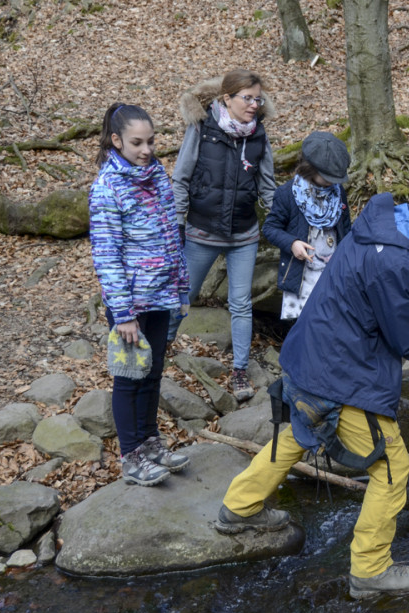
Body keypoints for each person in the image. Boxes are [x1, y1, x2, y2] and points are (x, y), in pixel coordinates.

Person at [213, 176, 409, 599]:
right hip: (345, 373)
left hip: (311, 357)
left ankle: (238, 508)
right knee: (392, 469)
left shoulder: (388, 223)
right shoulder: (395, 259)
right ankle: (370, 569)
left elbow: (397, 293)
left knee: (296, 434)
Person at [89, 103, 192, 486]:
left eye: (150, 141)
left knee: (153, 374)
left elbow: (172, 236)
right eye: (137, 142)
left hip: (164, 296)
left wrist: (182, 288)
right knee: (129, 377)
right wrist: (124, 312)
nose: (146, 149)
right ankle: (131, 457)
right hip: (130, 303)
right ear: (116, 141)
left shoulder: (157, 176)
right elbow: (106, 254)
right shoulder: (107, 187)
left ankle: (151, 444)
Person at [167, 69, 276, 402]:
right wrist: (177, 223)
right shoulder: (202, 129)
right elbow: (181, 178)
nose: (254, 105)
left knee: (241, 305)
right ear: (226, 99)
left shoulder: (259, 137)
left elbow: (268, 188)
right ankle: (157, 354)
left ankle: (240, 373)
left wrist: (286, 222)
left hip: (243, 234)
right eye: (247, 98)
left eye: (258, 99)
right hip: (202, 231)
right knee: (182, 297)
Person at [261, 132, 351, 323]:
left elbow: (345, 228)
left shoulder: (338, 192)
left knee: (333, 323)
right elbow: (270, 228)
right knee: (305, 326)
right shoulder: (287, 194)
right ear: (310, 169)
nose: (333, 182)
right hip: (302, 275)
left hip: (332, 272)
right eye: (327, 176)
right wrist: (292, 243)